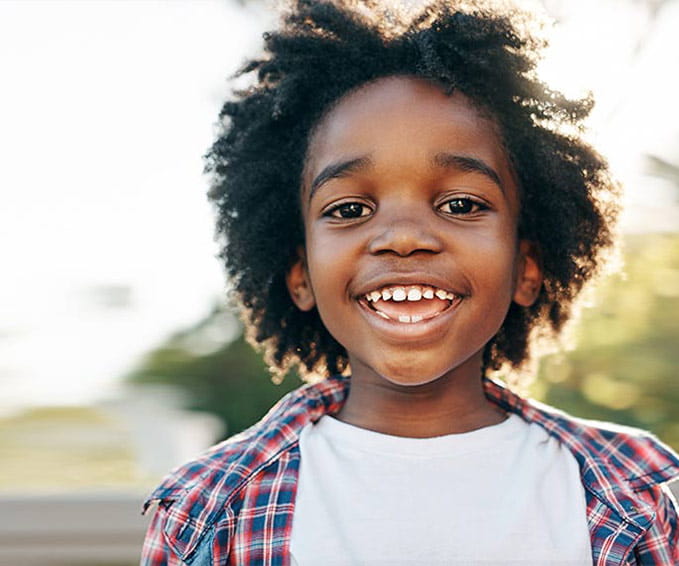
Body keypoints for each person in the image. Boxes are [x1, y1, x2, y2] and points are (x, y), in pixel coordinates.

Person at [140, 1, 679, 564]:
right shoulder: (206, 510)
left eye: (462, 203)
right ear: (299, 274)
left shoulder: (632, 496)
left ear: (526, 268)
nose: (401, 238)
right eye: (349, 209)